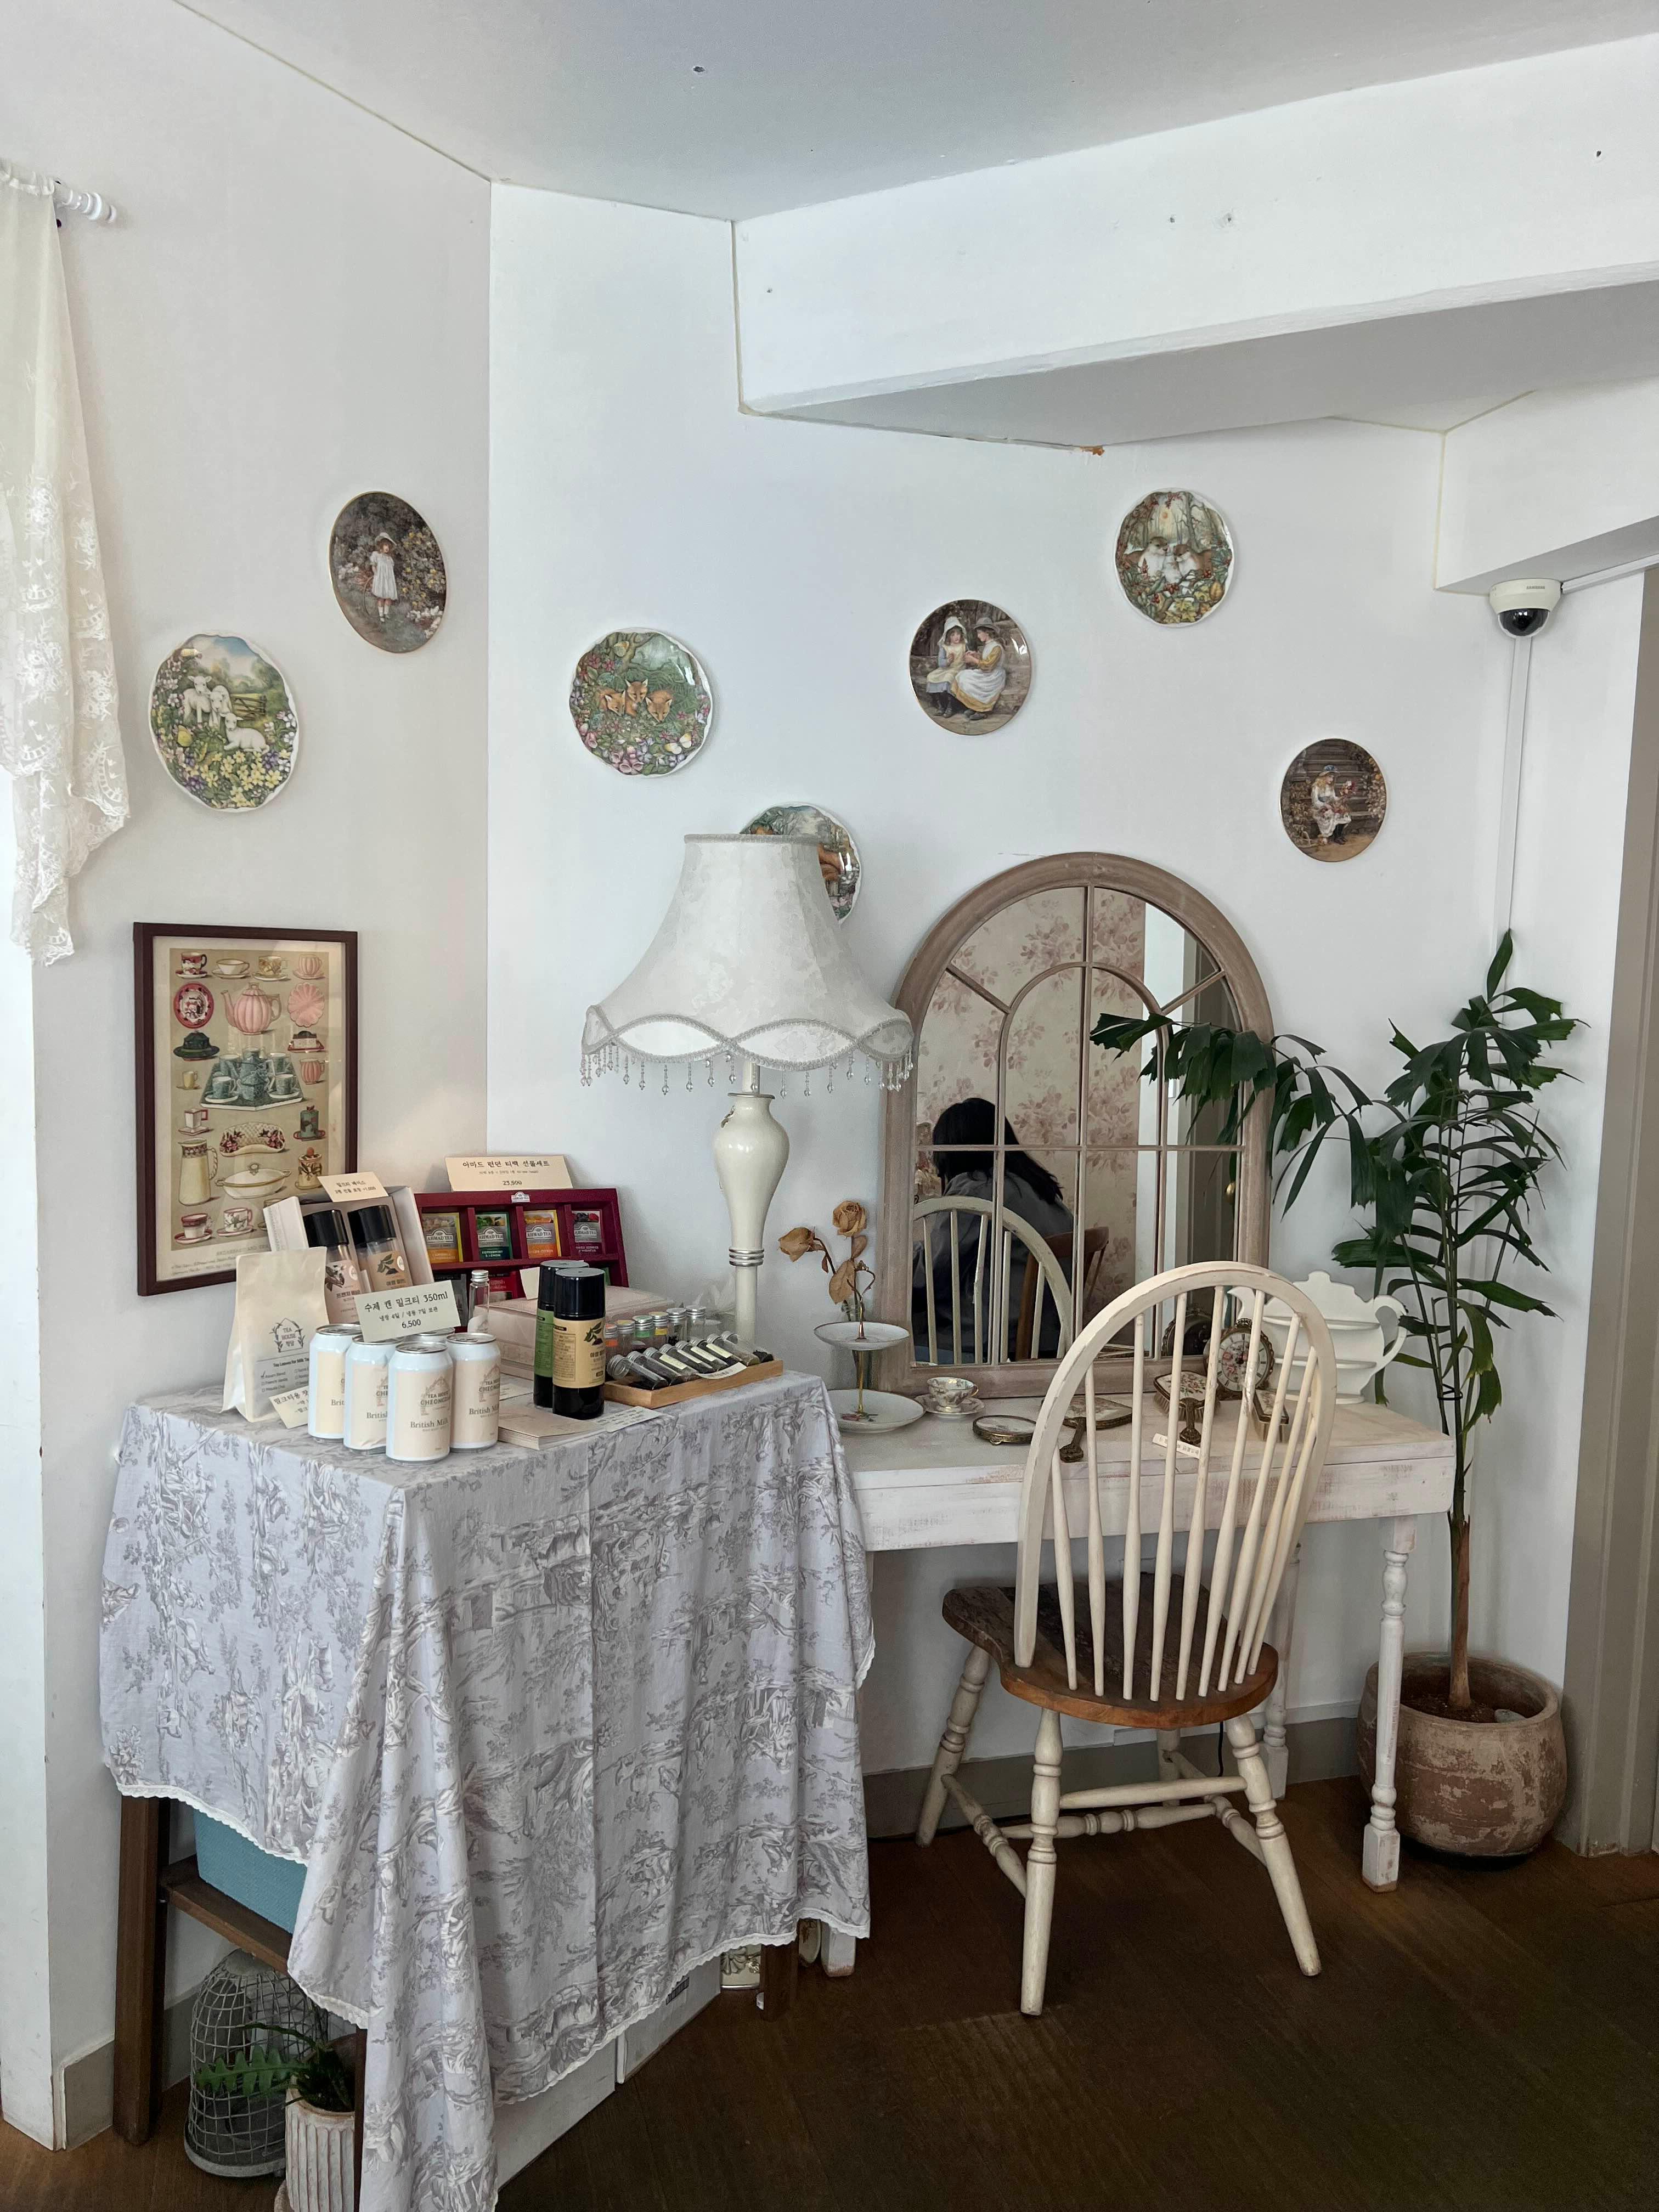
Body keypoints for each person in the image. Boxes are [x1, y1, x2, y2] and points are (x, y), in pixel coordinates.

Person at [914, 1096, 1073, 1359]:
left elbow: (931, 1272)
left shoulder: (978, 1190)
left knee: (897, 1345)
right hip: (1048, 1336)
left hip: (994, 1339)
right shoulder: (1036, 1185)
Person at [368, 532, 399, 623]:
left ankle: (386, 613)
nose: (387, 548)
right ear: (381, 545)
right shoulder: (376, 555)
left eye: (388, 546)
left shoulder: (390, 559)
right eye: (385, 545)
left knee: (389, 597)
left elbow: (390, 571)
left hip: (389, 580)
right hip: (380, 579)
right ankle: (381, 615)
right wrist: (376, 574)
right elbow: (374, 566)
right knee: (381, 597)